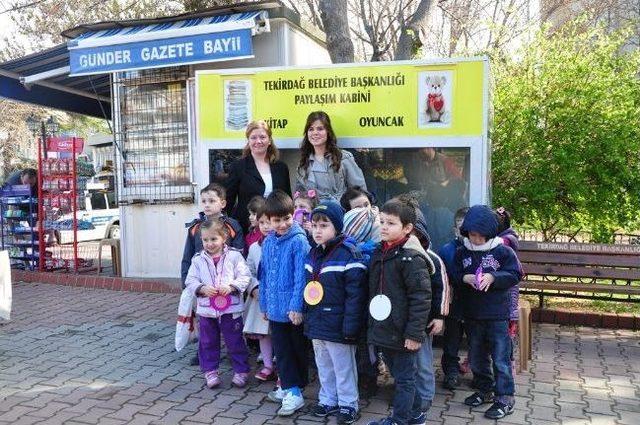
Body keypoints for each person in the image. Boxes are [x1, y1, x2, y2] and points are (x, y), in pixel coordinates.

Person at [366, 197, 431, 425]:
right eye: (381, 221)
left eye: (390, 223)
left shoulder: (412, 259)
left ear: (407, 228)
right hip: (385, 329)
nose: (384, 227)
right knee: (398, 375)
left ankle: (400, 420)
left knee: (404, 379)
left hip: (404, 333)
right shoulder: (379, 253)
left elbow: (421, 299)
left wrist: (414, 334)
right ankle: (416, 415)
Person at [454, 205, 522, 420]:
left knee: (501, 358)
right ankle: (485, 389)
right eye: (472, 235)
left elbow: (515, 273)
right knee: (477, 356)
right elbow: (454, 274)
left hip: (496, 315)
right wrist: (465, 278)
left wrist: (494, 278)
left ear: (490, 233)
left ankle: (505, 397)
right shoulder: (462, 251)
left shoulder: (502, 250)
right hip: (473, 314)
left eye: (480, 236)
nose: (476, 240)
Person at [304, 201, 367, 424]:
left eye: (324, 225)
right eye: (314, 225)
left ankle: (349, 404)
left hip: (339, 324)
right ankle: (328, 399)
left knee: (343, 367)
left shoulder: (349, 254)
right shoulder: (312, 253)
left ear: (337, 228)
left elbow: (355, 296)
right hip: (317, 322)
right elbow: (308, 290)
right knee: (324, 365)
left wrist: (351, 327)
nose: (318, 230)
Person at [258, 190, 311, 416]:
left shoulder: (299, 241)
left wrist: (297, 306)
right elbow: (265, 276)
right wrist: (264, 305)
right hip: (275, 308)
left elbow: (302, 276)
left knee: (295, 350)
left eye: (286, 218)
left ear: (293, 215)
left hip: (292, 310)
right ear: (268, 221)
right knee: (282, 350)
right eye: (276, 220)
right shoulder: (268, 242)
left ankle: (294, 390)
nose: (282, 224)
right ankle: (290, 387)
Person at [184, 220, 252, 388]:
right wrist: (202, 288)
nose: (209, 244)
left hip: (231, 309)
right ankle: (210, 371)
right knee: (207, 341)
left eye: (213, 239)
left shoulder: (235, 256)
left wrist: (231, 287)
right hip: (207, 310)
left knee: (235, 340)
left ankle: (241, 371)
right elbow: (190, 280)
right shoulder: (197, 260)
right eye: (205, 240)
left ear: (224, 238)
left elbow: (245, 276)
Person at [411, 207, 451, 424]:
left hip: (424, 322)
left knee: (423, 361)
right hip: (402, 322)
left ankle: (425, 396)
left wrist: (439, 316)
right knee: (405, 362)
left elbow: (442, 289)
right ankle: (408, 394)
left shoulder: (432, 258)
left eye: (414, 234)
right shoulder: (397, 256)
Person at [225, 120, 292, 233]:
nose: (258, 141)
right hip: (247, 228)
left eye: (262, 137)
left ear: (269, 140)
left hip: (277, 227)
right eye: (253, 138)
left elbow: (287, 200)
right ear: (248, 140)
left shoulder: (281, 167)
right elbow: (229, 200)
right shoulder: (238, 167)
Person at [342, 206, 381, 398]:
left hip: (368, 308)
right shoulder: (345, 250)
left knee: (367, 346)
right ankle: (360, 376)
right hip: (351, 308)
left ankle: (369, 377)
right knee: (356, 346)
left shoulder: (374, 252)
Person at [181, 183, 244, 287]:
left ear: (223, 203)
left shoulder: (232, 226)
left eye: (212, 201)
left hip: (227, 283)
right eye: (204, 201)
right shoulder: (195, 228)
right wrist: (186, 285)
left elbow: (240, 256)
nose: (207, 204)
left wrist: (237, 285)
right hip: (202, 283)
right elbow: (187, 258)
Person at [296, 111, 367, 202]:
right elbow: (298, 196)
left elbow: (360, 192)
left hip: (341, 213)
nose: (315, 133)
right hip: (314, 214)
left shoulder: (344, 158)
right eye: (311, 129)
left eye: (320, 129)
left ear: (328, 132)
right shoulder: (303, 163)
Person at [243, 206, 276, 382]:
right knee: (263, 332)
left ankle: (280, 363)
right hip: (260, 296)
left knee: (279, 332)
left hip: (278, 296)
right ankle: (268, 365)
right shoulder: (255, 247)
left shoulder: (282, 243)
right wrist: (253, 287)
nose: (265, 226)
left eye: (269, 222)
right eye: (262, 222)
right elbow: (248, 270)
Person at [438, 207, 469, 390]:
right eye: (460, 228)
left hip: (475, 306)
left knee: (478, 341)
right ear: (454, 229)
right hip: (454, 304)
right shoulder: (447, 250)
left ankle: (482, 374)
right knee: (451, 341)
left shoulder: (482, 249)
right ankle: (451, 372)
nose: (464, 232)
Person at [495, 207, 522, 376]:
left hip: (507, 289)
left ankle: (509, 363)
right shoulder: (504, 237)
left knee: (506, 330)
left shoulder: (506, 240)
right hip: (500, 288)